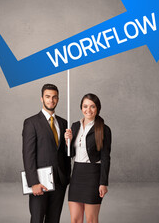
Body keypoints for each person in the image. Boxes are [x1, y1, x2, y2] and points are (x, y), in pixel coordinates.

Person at [22, 83, 71, 223]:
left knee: (54, 219)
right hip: (40, 182)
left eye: (54, 97)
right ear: (41, 98)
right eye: (48, 97)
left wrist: (66, 176)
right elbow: (28, 154)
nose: (51, 100)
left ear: (58, 99)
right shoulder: (31, 123)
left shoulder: (63, 123)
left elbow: (65, 153)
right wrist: (33, 182)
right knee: (37, 219)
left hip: (60, 182)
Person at [64, 93, 111, 223]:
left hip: (93, 176)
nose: (88, 110)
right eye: (85, 106)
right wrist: (68, 142)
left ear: (97, 109)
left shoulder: (104, 129)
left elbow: (106, 157)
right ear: (81, 108)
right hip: (77, 174)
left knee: (91, 220)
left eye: (92, 106)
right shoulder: (74, 126)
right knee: (75, 220)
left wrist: (103, 182)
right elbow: (71, 154)